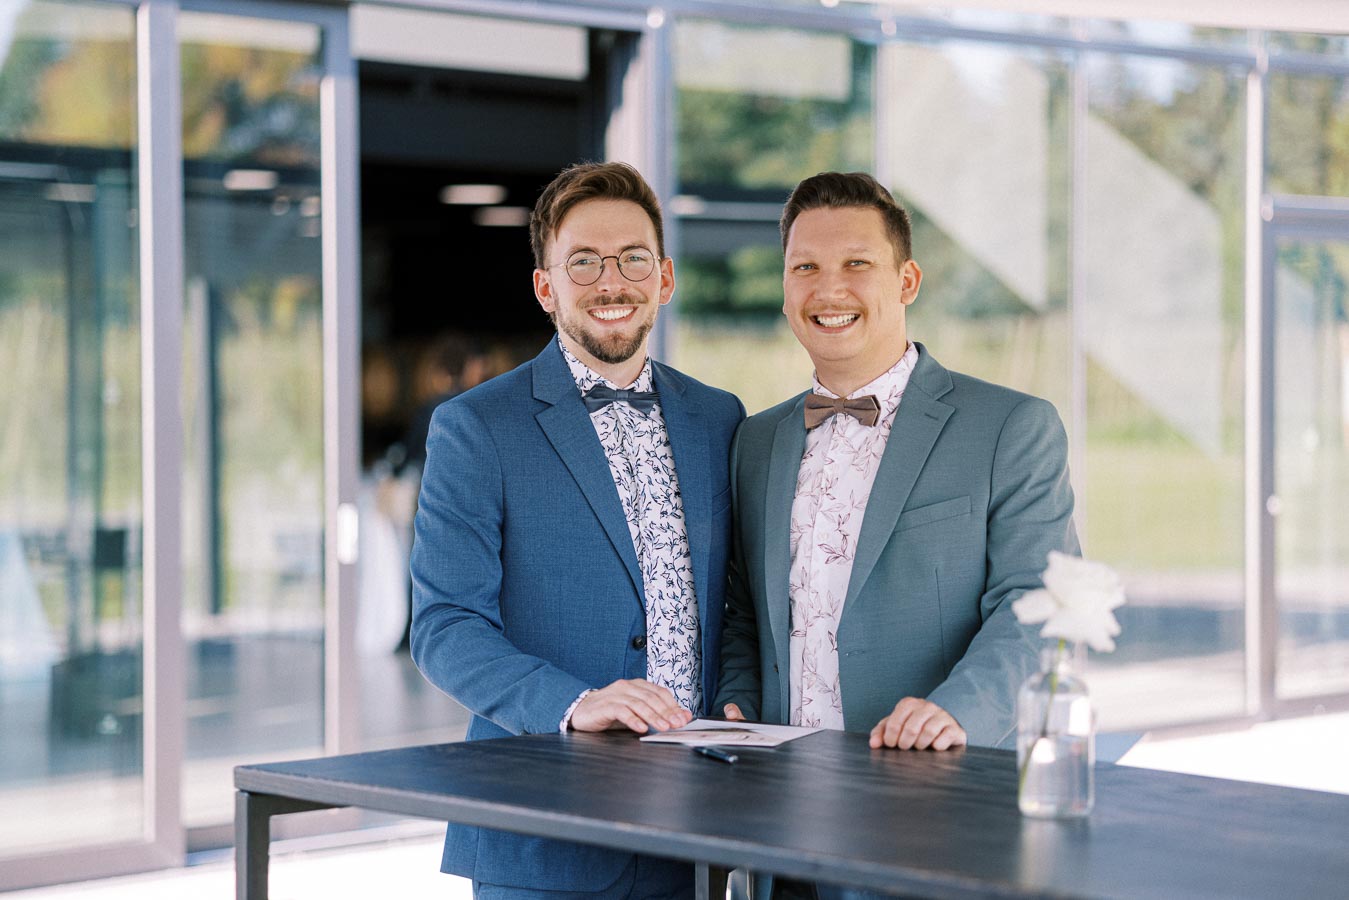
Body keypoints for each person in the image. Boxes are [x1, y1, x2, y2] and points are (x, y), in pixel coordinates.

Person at [409, 161, 745, 900]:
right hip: (543, 833)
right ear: (546, 287)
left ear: (662, 278)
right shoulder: (476, 428)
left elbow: (735, 606)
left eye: (631, 258)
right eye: (583, 261)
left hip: (695, 830)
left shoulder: (720, 418)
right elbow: (444, 626)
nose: (610, 281)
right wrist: (570, 703)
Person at [716, 170, 1080, 757]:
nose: (829, 290)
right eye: (805, 268)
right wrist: (738, 699)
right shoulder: (755, 441)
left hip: (934, 785)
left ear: (907, 280)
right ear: (784, 289)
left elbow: (1037, 602)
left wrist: (957, 714)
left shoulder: (1011, 428)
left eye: (857, 264)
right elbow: (743, 610)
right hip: (777, 788)